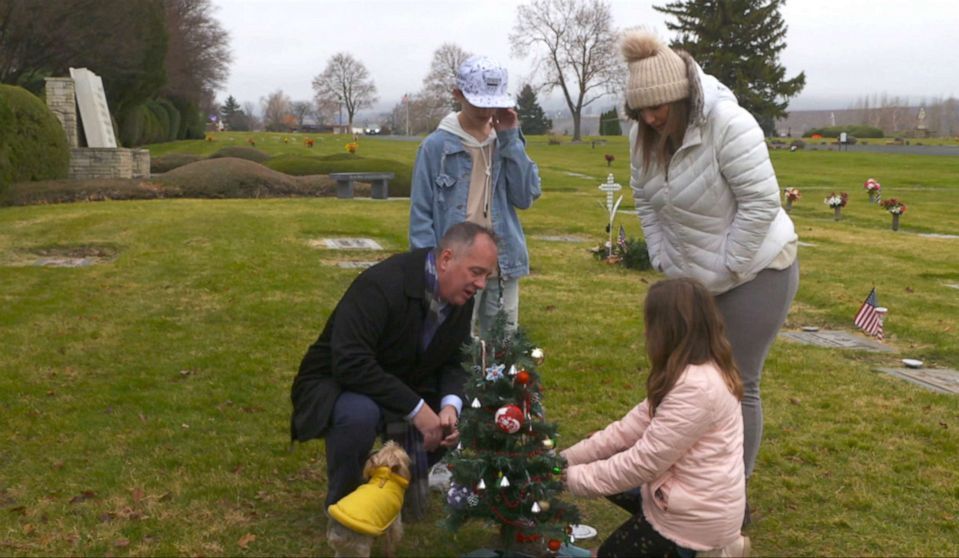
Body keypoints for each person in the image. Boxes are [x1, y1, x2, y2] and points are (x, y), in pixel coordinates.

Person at [620, 30, 800, 492]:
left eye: (659, 106)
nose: (651, 117)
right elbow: (644, 198)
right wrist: (662, 256)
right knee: (682, 380)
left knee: (735, 382)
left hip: (758, 270)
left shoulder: (729, 124)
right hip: (692, 279)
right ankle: (687, 478)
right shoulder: (642, 133)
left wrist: (730, 266)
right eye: (641, 109)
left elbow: (761, 202)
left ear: (682, 96)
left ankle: (729, 496)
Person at [290, 222, 498, 517]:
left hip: (404, 380)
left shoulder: (460, 297)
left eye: (486, 276)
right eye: (476, 272)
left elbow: (456, 361)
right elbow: (350, 362)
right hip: (338, 383)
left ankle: (392, 488)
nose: (480, 285)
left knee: (460, 417)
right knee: (359, 415)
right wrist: (417, 410)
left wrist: (450, 407)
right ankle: (344, 507)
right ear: (446, 259)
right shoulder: (382, 284)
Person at [560, 278, 748, 558]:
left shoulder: (697, 388)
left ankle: (710, 551)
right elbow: (625, 431)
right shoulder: (690, 371)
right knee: (608, 454)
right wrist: (560, 461)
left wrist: (564, 479)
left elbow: (643, 464)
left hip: (695, 524)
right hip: (687, 497)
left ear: (666, 329)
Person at [409, 55, 541, 338]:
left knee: (503, 346)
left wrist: (510, 139)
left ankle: (499, 385)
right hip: (455, 266)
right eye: (478, 102)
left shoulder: (505, 142)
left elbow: (526, 196)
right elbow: (420, 213)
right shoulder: (435, 147)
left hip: (502, 265)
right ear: (458, 94)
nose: (485, 111)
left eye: (492, 102)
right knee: (453, 345)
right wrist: (430, 266)